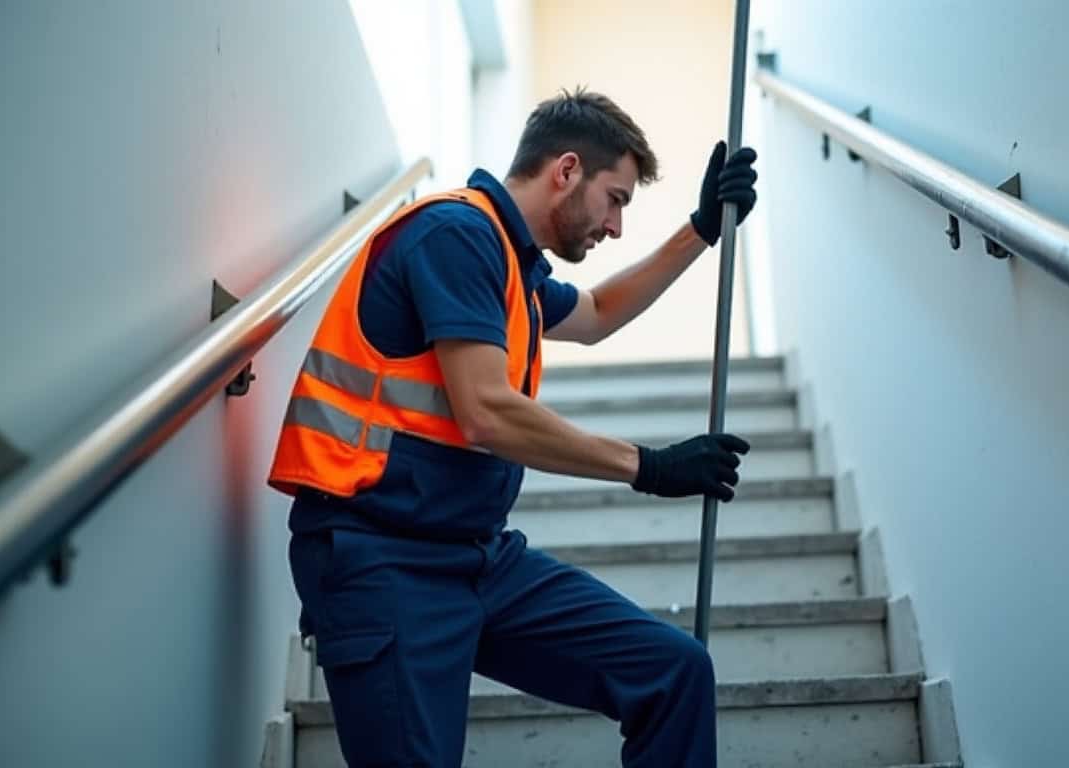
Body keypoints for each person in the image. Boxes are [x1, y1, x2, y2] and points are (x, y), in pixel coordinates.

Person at [267, 87, 759, 767]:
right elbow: (485, 411)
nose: (615, 226)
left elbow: (596, 313)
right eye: (614, 199)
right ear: (566, 171)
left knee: (673, 670)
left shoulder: (511, 266)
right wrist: (647, 467)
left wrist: (700, 230)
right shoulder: (455, 235)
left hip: (476, 556)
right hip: (380, 559)